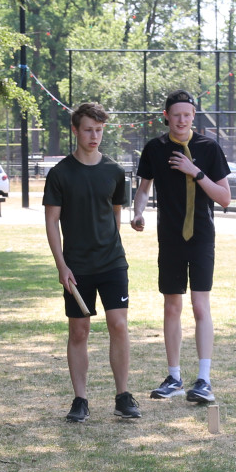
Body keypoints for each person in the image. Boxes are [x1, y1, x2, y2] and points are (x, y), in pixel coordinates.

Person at [131, 90, 231, 405]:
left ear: (193, 117)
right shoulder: (155, 148)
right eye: (176, 115)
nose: (182, 120)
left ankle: (204, 380)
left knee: (201, 307)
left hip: (201, 236)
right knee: (172, 307)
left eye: (187, 115)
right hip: (170, 238)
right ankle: (174, 377)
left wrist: (195, 171)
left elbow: (225, 198)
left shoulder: (208, 147)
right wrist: (137, 211)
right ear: (166, 116)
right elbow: (144, 188)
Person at [44, 102, 139, 423]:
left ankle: (123, 396)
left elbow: (115, 217)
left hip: (113, 263)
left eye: (99, 130)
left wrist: (113, 248)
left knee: (119, 325)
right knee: (79, 331)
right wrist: (62, 265)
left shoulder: (114, 171)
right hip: (77, 267)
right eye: (88, 129)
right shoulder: (60, 174)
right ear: (75, 130)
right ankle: (80, 399)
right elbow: (51, 223)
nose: (94, 135)